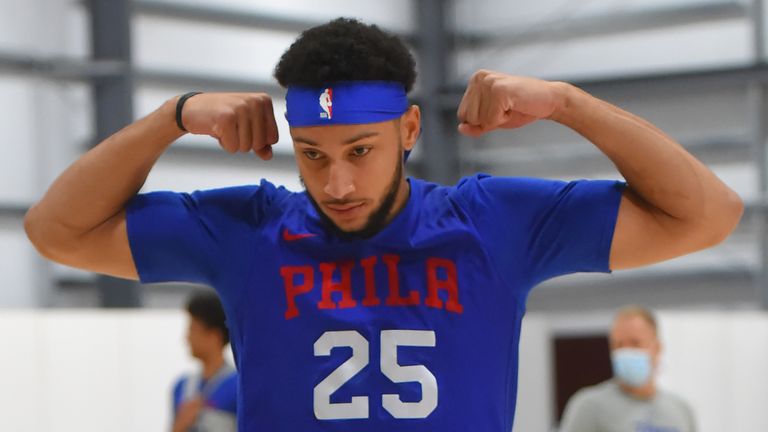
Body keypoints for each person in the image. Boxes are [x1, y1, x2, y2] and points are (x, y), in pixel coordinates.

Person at [24, 17, 741, 432]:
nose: (336, 183)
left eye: (359, 152)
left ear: (408, 129)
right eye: (312, 155)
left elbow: (709, 214)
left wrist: (565, 102)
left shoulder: (490, 224)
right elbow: (58, 230)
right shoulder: (250, 231)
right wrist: (170, 117)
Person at [559, 306, 696, 432]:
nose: (626, 351)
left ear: (657, 348)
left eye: (635, 343)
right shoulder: (590, 407)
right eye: (618, 345)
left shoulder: (680, 410)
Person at [171, 290, 238, 432]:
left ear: (214, 336)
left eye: (193, 329)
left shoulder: (238, 387)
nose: (187, 338)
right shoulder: (181, 387)